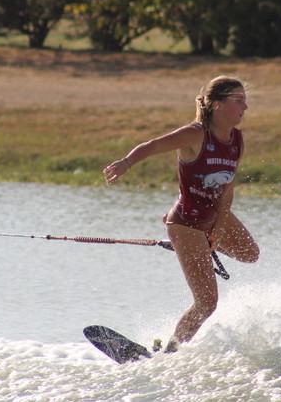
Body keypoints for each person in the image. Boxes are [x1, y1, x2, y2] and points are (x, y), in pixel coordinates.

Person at [103, 76, 260, 352]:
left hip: (213, 217)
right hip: (186, 224)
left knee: (250, 253)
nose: (245, 107)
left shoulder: (236, 139)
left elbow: (228, 188)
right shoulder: (195, 134)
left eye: (245, 100)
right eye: (238, 100)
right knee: (207, 303)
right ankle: (170, 353)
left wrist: (220, 228)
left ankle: (193, 247)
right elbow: (152, 145)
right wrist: (127, 162)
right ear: (217, 105)